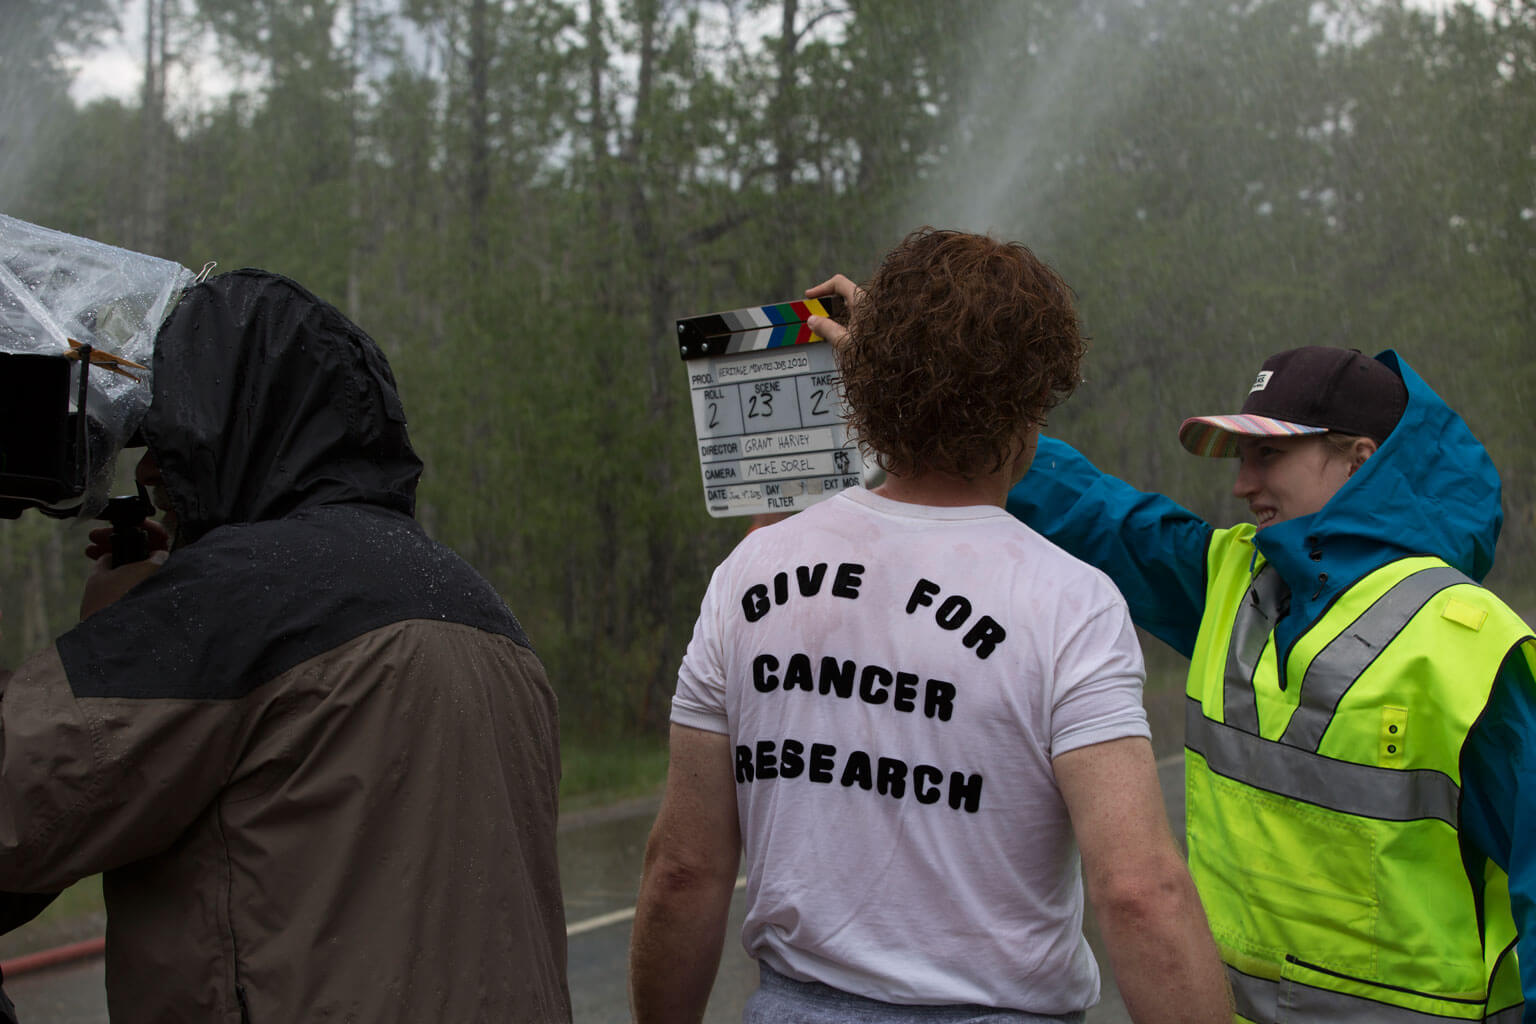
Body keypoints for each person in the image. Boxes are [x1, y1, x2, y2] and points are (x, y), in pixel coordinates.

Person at [629, 228, 1231, 1024]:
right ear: (1034, 405)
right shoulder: (1069, 601)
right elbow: (1139, 893)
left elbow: (683, 870)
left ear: (863, 388)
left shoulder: (750, 574)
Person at [0, 269, 571, 1022]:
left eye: (169, 430)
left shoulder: (228, 607)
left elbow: (19, 809)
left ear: (230, 427)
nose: (145, 468)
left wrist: (116, 628)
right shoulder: (479, 603)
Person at [1006, 345, 1536, 1022]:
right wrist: (932, 373)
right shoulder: (1227, 578)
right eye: (1239, 459)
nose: (1241, 484)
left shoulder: (1470, 644)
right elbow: (1090, 508)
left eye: (1269, 456)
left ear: (1360, 458)